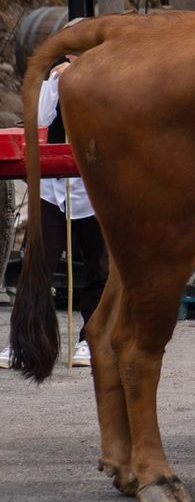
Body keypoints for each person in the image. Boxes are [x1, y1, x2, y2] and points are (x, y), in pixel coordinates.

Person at [0, 55, 108, 371]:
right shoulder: (55, 80)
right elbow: (42, 120)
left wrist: (85, 78)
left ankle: (91, 337)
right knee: (39, 262)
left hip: (91, 186)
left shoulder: (106, 81)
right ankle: (22, 342)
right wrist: (58, 83)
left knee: (98, 265)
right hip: (53, 185)